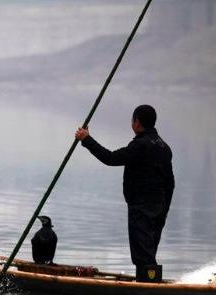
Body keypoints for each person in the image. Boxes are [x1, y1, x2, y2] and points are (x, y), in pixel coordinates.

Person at [75, 105, 174, 281]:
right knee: (148, 250)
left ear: (137, 123)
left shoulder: (140, 146)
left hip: (141, 207)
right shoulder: (164, 147)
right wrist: (164, 210)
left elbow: (111, 158)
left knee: (142, 254)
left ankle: (148, 290)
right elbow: (170, 183)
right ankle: (149, 282)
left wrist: (86, 139)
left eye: (132, 121)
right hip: (159, 207)